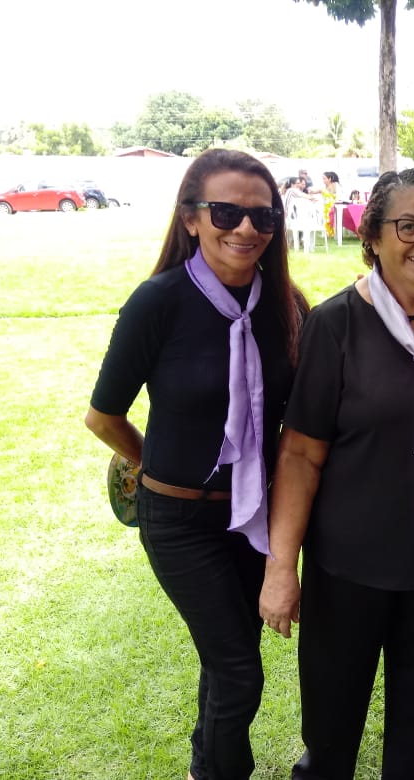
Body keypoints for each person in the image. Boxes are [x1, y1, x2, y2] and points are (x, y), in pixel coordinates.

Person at [259, 166, 414, 780]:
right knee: (330, 730)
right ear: (372, 235)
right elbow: (300, 455)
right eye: (409, 227)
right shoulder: (336, 323)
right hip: (348, 565)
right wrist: (281, 567)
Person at [85, 149, 307, 780]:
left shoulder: (287, 306)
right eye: (227, 212)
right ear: (191, 218)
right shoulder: (158, 303)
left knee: (225, 656)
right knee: (239, 670)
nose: (246, 228)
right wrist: (159, 470)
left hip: (255, 516)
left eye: (263, 216)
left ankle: (203, 766)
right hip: (180, 523)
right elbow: (103, 416)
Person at [321, 171, 342, 237]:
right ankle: (329, 232)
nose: (323, 180)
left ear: (330, 179)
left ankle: (330, 232)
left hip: (333, 205)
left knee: (328, 213)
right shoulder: (327, 186)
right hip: (328, 205)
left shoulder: (334, 185)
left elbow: (332, 196)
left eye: (324, 178)